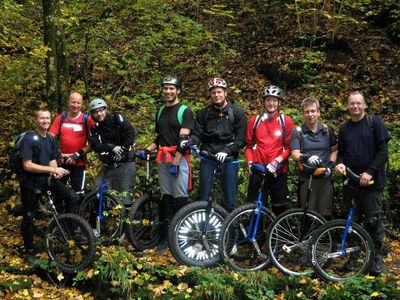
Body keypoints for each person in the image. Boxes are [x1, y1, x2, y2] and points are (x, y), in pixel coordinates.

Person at [335, 91, 390, 276]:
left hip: (372, 182)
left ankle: (375, 259)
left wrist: (370, 171)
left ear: (365, 105)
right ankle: (354, 258)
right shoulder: (344, 128)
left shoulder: (374, 123)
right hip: (351, 182)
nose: (355, 106)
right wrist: (340, 164)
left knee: (373, 221)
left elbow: (384, 152)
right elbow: (340, 152)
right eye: (352, 103)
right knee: (352, 221)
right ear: (347, 106)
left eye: (359, 103)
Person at [139, 76, 194, 251]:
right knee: (167, 197)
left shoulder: (185, 111)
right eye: (165, 88)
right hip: (163, 158)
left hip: (178, 158)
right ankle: (166, 237)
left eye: (172, 88)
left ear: (178, 90)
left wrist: (176, 160)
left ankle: (183, 239)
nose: (168, 91)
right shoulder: (161, 111)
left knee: (180, 197)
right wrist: (148, 149)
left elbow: (184, 139)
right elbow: (160, 137)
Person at [18, 109, 78, 263]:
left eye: (47, 118)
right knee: (29, 217)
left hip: (46, 180)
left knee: (71, 196)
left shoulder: (50, 139)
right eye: (42, 118)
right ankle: (29, 252)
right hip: (30, 183)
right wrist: (52, 169)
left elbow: (52, 159)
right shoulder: (30, 138)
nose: (45, 121)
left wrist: (55, 172)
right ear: (36, 120)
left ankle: (68, 232)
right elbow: (27, 165)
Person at [183, 77, 247, 213]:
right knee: (203, 197)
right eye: (213, 93)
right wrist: (190, 141)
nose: (216, 95)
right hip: (208, 157)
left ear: (225, 93)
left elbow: (241, 140)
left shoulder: (237, 113)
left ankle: (232, 233)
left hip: (229, 159)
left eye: (219, 92)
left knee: (230, 200)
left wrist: (228, 150)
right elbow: (197, 134)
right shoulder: (203, 113)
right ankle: (202, 231)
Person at [244, 85, 294, 217]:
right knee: (256, 206)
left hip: (278, 170)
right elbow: (249, 145)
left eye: (274, 100)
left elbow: (289, 147)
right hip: (258, 168)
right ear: (263, 102)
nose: (271, 103)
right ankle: (257, 236)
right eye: (268, 100)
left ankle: (278, 236)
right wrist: (249, 163)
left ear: (279, 103)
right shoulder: (254, 121)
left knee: (279, 206)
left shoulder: (286, 121)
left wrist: (277, 161)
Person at [290, 97, 338, 220]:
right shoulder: (298, 132)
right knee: (307, 213)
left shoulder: (328, 130)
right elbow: (295, 154)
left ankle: (324, 239)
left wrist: (331, 166)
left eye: (313, 111)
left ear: (318, 112)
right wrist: (307, 157)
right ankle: (307, 239)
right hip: (307, 178)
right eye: (307, 111)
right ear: (303, 113)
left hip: (325, 178)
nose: (310, 114)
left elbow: (334, 150)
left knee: (325, 213)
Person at [88, 98, 137, 206]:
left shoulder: (117, 119)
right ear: (92, 114)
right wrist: (111, 147)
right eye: (96, 112)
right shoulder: (95, 129)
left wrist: (123, 150)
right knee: (98, 192)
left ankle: (127, 222)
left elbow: (131, 133)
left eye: (101, 110)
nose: (99, 114)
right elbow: (96, 146)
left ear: (106, 110)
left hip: (125, 164)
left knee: (125, 197)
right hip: (107, 166)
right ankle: (103, 220)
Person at [49, 92, 95, 204]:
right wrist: (57, 153)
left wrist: (78, 154)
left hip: (78, 163)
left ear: (82, 104)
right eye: (73, 102)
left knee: (78, 195)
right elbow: (50, 138)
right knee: (58, 193)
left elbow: (93, 143)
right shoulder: (61, 118)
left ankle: (75, 219)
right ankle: (59, 219)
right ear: (68, 102)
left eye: (78, 103)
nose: (75, 105)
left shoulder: (87, 119)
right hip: (62, 162)